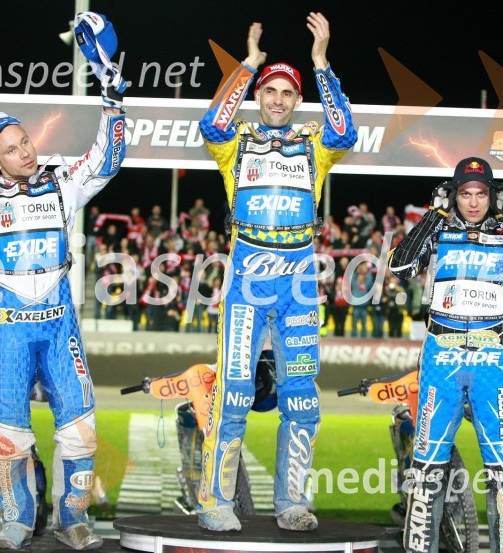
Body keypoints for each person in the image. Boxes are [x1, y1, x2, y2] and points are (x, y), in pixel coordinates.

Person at [0, 11, 127, 550]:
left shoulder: (63, 183)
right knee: (8, 432)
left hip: (59, 321)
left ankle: (74, 519)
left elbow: (109, 159)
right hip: (6, 326)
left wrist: (112, 94)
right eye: (13, 148)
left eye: (25, 141)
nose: (26, 150)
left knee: (79, 426)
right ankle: (19, 520)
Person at [196, 12, 357, 533]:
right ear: (259, 97)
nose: (279, 101)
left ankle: (292, 502)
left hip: (298, 289)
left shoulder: (314, 145)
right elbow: (211, 123)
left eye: (289, 93)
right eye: (272, 92)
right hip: (246, 284)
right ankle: (215, 500)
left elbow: (345, 130)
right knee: (236, 393)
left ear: (296, 101)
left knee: (302, 398)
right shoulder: (234, 144)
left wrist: (320, 63)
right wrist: (248, 64)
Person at [388, 157, 503, 553]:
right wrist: (432, 213)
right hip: (440, 359)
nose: (474, 203)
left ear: (493, 196)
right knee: (426, 470)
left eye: (482, 194)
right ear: (454, 195)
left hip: (492, 359)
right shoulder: (440, 229)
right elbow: (400, 266)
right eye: (465, 194)